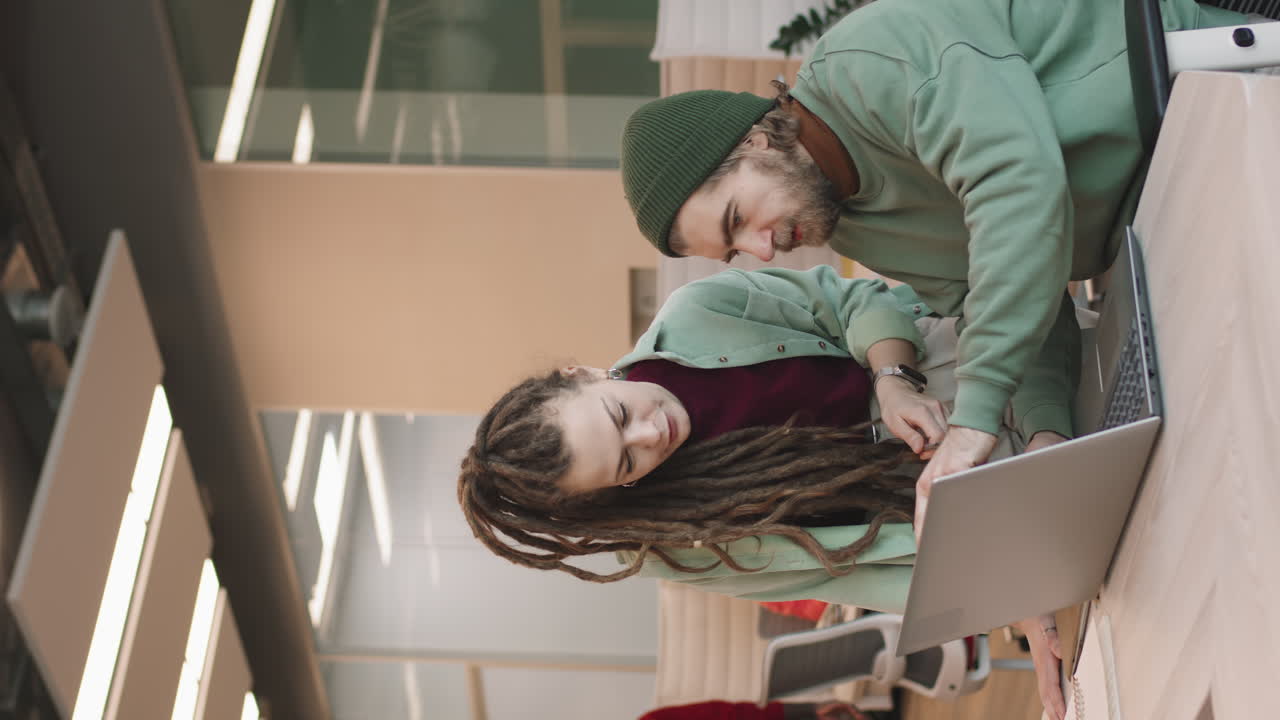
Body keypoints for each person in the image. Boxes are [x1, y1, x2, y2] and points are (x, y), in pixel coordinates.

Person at [617, 0, 1249, 528]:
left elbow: (1018, 184)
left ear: (752, 140)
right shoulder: (848, 218)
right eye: (735, 250)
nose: (760, 251)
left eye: (736, 219)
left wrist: (974, 420)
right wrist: (1045, 436)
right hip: (1167, 232)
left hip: (1210, 106)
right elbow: (990, 296)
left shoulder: (868, 62)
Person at [458, 266, 1068, 718]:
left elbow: (854, 299)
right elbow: (851, 577)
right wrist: (1020, 601)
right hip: (989, 514)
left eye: (619, 414)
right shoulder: (677, 544)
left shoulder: (696, 313)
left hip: (996, 373)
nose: (651, 433)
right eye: (625, 463)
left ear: (583, 375)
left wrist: (892, 382)